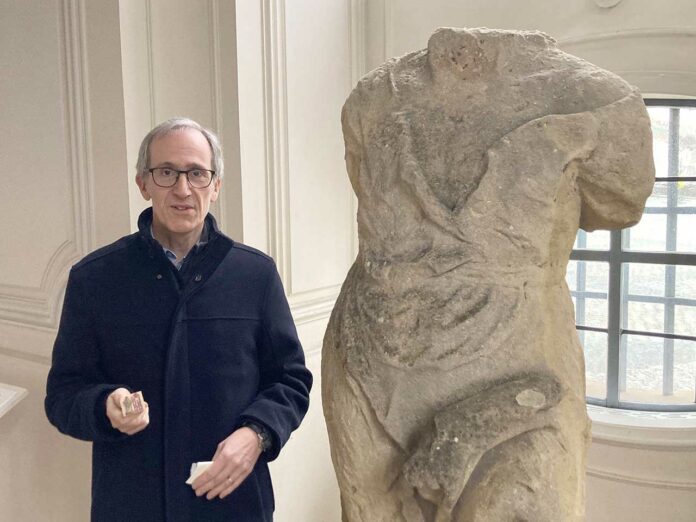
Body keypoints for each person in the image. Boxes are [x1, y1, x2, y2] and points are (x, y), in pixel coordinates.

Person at [45, 118, 312, 522]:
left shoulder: (255, 274)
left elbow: (291, 380)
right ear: (144, 184)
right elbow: (63, 396)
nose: (183, 189)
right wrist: (104, 406)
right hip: (132, 502)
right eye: (167, 173)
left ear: (216, 186)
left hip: (233, 499)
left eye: (197, 174)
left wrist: (256, 434)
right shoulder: (94, 278)